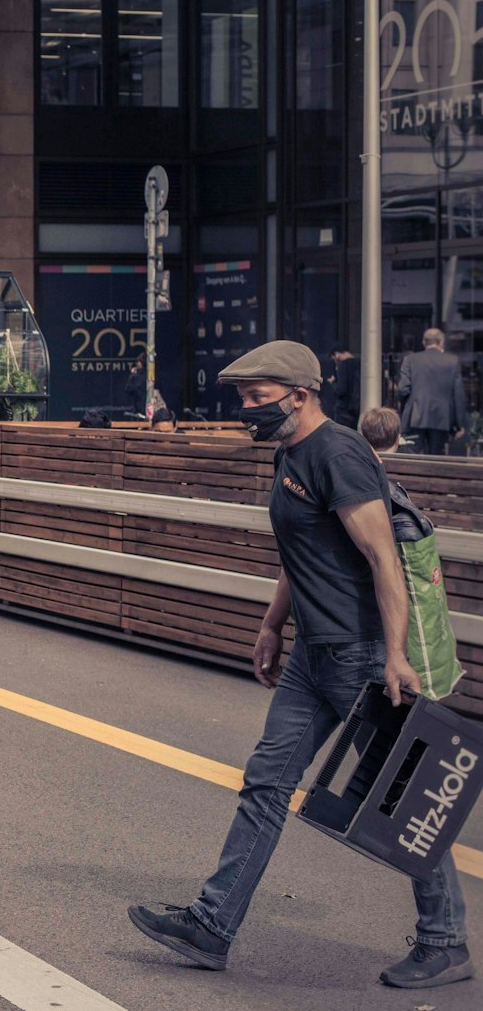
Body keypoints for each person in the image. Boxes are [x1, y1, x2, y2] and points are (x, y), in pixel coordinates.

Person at [128, 340, 471, 990]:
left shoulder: (339, 454)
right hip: (312, 656)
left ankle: (445, 941)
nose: (247, 410)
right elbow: (301, 550)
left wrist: (394, 655)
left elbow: (384, 563)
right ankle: (213, 925)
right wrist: (271, 623)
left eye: (257, 399)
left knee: (399, 799)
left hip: (359, 655)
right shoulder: (291, 452)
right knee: (265, 781)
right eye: (244, 399)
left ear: (300, 395)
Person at [398, 328, 467, 456]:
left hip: (415, 416)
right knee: (436, 458)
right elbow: (458, 395)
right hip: (442, 417)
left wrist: (406, 406)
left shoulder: (410, 360)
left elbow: (402, 390)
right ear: (441, 342)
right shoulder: (452, 361)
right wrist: (459, 423)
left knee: (413, 456)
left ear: (424, 342)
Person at [322, 347, 361, 428]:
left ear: (336, 354)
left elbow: (341, 390)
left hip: (344, 410)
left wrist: (333, 383)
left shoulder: (343, 365)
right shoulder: (360, 363)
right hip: (357, 407)